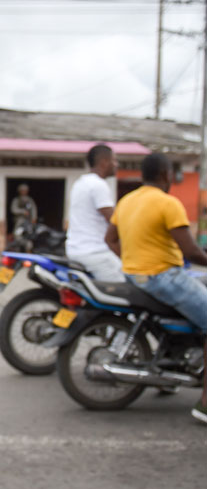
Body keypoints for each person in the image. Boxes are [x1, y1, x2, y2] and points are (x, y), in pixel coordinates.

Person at [105, 152, 207, 424]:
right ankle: (205, 404)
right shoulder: (167, 203)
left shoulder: (127, 201)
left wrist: (132, 259)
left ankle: (170, 373)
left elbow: (110, 239)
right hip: (163, 277)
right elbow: (191, 251)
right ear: (165, 175)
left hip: (134, 276)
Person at [65, 144, 125, 282]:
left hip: (75, 250)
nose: (116, 164)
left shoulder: (80, 183)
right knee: (126, 287)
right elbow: (114, 220)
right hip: (95, 253)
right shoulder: (98, 185)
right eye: (114, 160)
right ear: (104, 162)